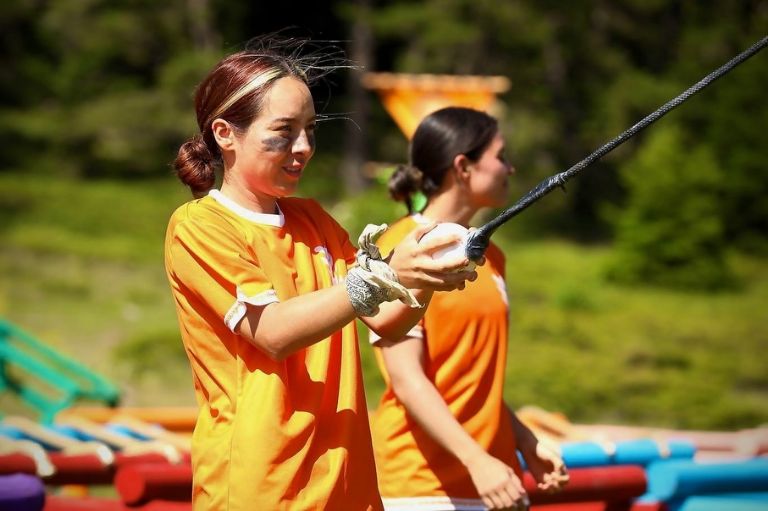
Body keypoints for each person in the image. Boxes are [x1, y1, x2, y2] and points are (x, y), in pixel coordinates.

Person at [164, 37, 479, 511]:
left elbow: (387, 322)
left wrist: (424, 275)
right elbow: (273, 333)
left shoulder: (314, 219)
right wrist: (379, 276)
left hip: (348, 483)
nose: (304, 147)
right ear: (225, 134)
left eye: (311, 130)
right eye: (284, 131)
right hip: (261, 487)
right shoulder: (199, 227)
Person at [369, 107, 570, 511]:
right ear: (463, 167)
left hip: (492, 480)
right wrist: (476, 460)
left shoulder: (492, 257)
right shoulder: (400, 248)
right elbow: (407, 379)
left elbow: (471, 380)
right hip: (421, 486)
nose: (510, 168)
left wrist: (525, 441)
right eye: (501, 156)